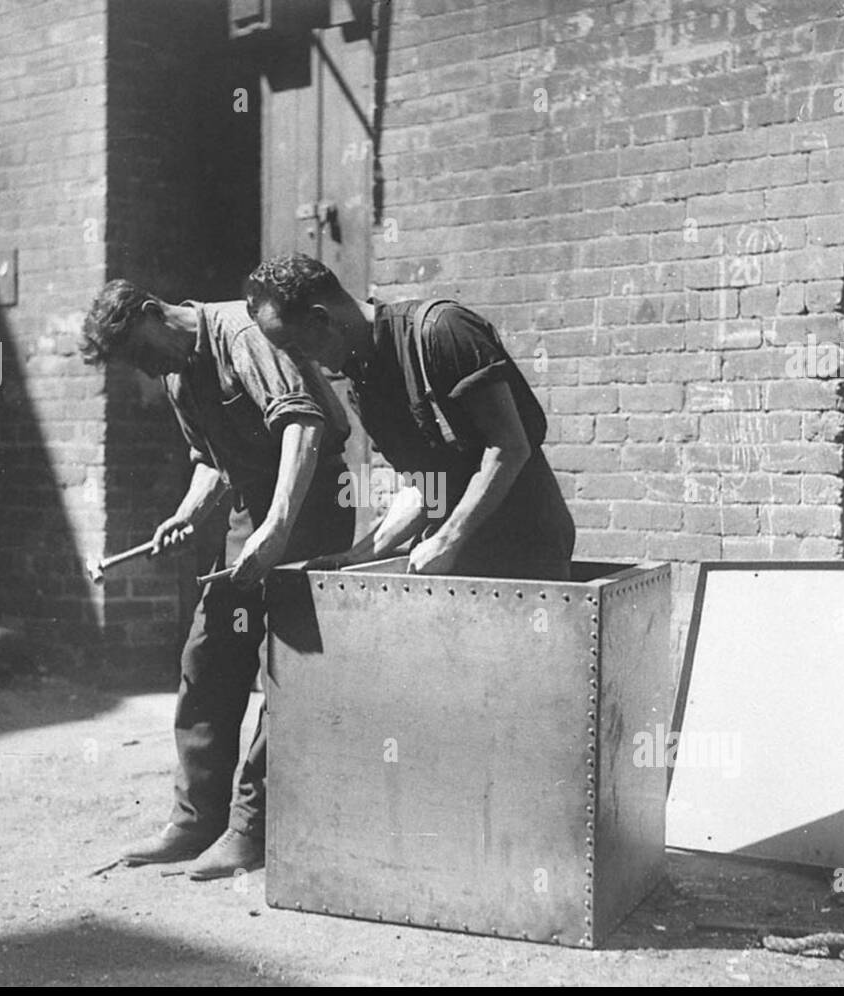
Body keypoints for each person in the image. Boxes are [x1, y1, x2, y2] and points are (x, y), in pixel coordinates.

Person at [80, 280, 353, 878]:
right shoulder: (178, 371)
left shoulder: (242, 332)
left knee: (287, 669)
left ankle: (250, 827)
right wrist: (187, 513)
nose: (150, 372)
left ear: (156, 312)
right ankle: (195, 820)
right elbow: (212, 460)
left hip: (310, 504)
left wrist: (279, 526)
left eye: (144, 353)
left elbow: (303, 424)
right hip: (252, 509)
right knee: (209, 654)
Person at [245, 253, 574, 580]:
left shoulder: (442, 331)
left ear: (321, 318)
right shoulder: (362, 383)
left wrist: (449, 538)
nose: (298, 361)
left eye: (293, 345)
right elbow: (427, 489)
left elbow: (509, 447)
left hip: (525, 551)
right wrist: (351, 558)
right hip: (451, 557)